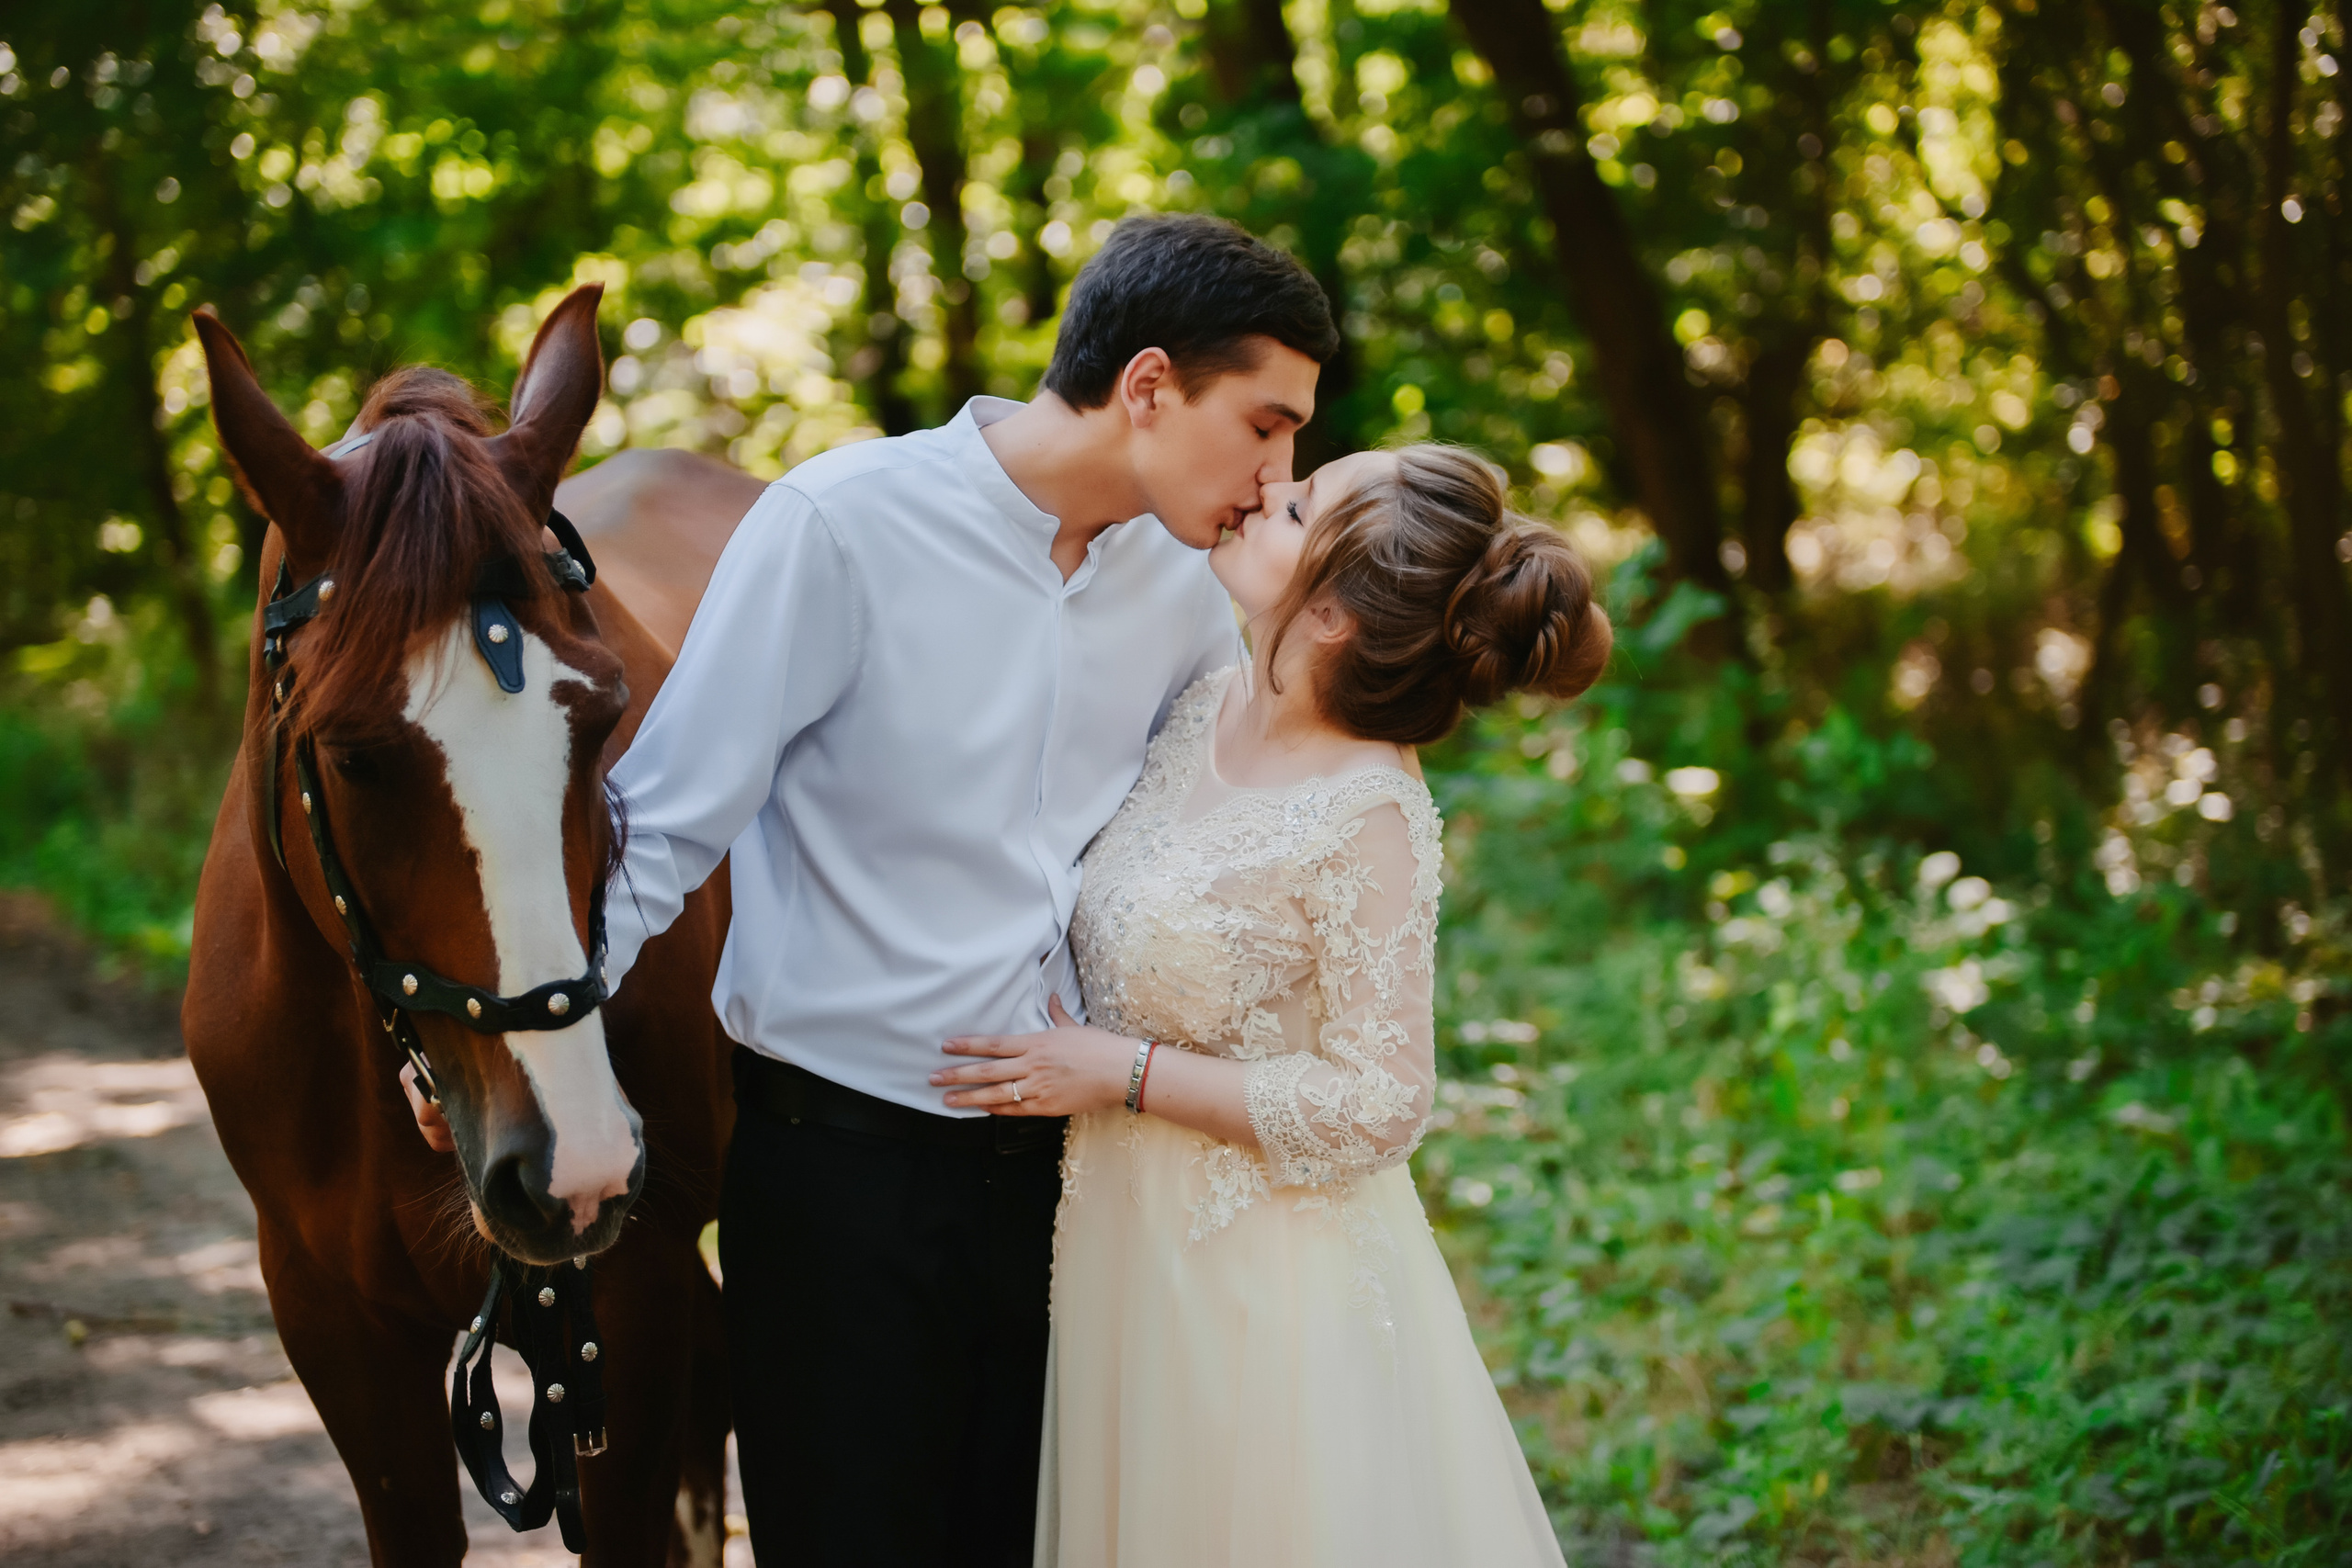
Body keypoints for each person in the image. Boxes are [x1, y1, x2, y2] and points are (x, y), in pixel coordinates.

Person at [592, 215, 1339, 1565]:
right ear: (1152, 385)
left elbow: (1231, 847)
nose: (1281, 477)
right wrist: (519, 1035)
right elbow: (663, 824)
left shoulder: (1184, 583)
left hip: (1083, 1188)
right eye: (1267, 427)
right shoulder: (841, 524)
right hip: (840, 1184)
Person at [931, 444, 1612, 1567]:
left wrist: (1123, 1073)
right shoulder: (1202, 705)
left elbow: (1380, 1105)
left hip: (1259, 1292)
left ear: (1336, 613)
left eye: (1295, 506)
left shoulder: (1367, 809)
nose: (1259, 493)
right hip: (1116, 1249)